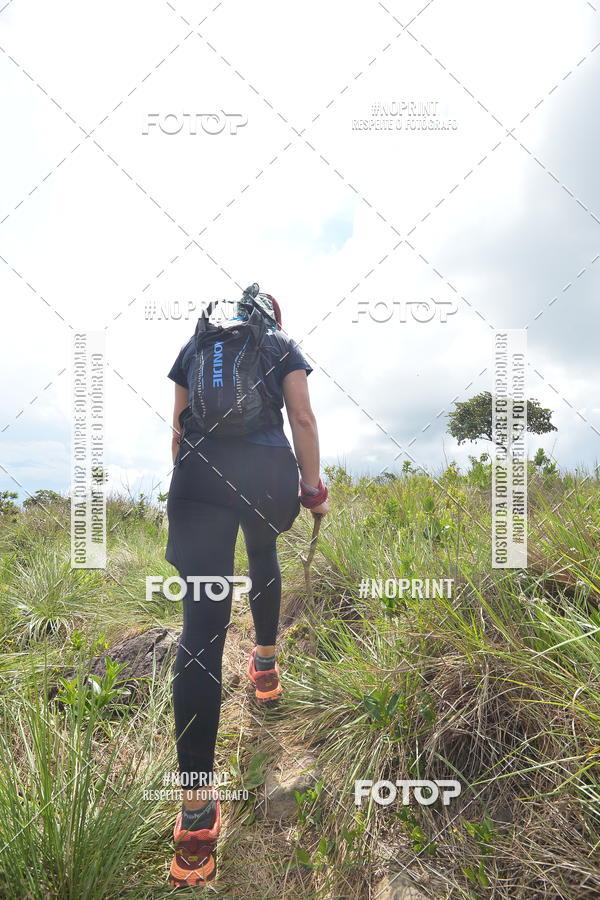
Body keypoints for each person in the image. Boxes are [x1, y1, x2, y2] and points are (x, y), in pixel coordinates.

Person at [164, 290, 329, 888]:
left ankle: (195, 813)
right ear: (270, 320)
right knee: (262, 553)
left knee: (200, 632)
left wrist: (187, 489)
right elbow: (302, 418)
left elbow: (178, 429)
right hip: (265, 475)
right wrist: (312, 489)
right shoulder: (280, 344)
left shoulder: (195, 346)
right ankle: (264, 666)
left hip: (198, 477)